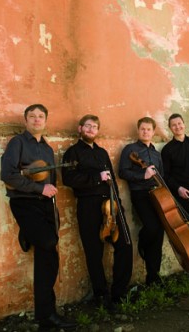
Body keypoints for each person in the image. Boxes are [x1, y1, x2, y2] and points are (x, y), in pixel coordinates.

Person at [0, 104, 76, 331]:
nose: (36, 120)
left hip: (45, 206)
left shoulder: (48, 150)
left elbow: (50, 180)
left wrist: (50, 189)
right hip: (24, 203)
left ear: (45, 121)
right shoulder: (18, 143)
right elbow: (8, 175)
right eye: (31, 116)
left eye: (40, 116)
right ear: (25, 121)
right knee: (48, 243)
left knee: (49, 254)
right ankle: (46, 315)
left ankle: (46, 314)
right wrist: (38, 189)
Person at [61, 114, 133, 310]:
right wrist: (96, 177)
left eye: (95, 127)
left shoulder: (102, 153)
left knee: (125, 244)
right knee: (94, 251)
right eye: (88, 126)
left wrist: (117, 203)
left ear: (97, 131)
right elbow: (68, 178)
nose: (91, 129)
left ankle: (119, 292)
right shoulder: (72, 153)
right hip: (88, 205)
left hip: (110, 204)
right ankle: (101, 295)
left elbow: (112, 181)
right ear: (80, 129)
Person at [119, 117, 165, 286]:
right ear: (138, 131)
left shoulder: (156, 154)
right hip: (140, 194)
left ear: (153, 132)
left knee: (159, 232)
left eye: (148, 129)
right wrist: (142, 175)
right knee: (152, 227)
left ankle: (153, 276)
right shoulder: (130, 150)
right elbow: (122, 172)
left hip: (158, 195)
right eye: (142, 129)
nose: (145, 132)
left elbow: (162, 176)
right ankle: (142, 240)